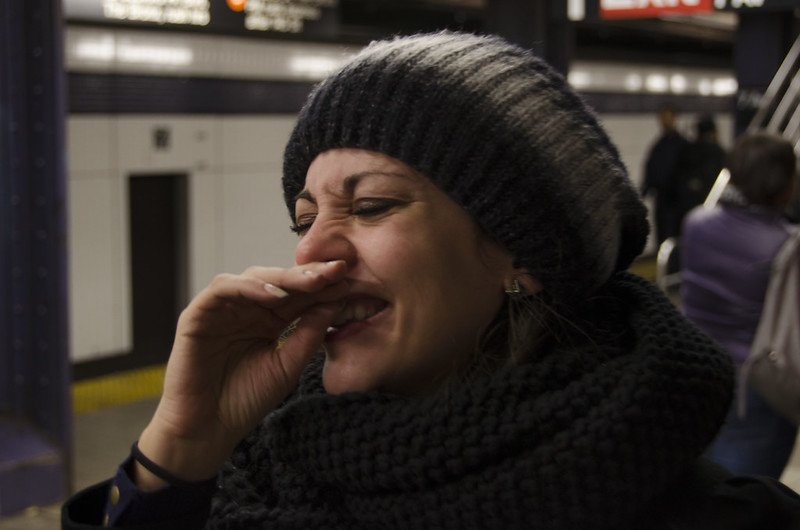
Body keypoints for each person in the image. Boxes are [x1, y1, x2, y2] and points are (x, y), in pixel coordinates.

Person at [62, 32, 800, 529]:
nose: (312, 249)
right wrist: (174, 455)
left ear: (521, 253)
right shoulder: (259, 469)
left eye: (371, 205)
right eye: (303, 217)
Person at [681, 132, 799, 480]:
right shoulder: (787, 246)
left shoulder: (696, 223)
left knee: (702, 478)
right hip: (756, 383)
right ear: (785, 182)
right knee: (745, 494)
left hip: (698, 367)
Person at [672, 114, 727, 238]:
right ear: (713, 132)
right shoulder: (719, 153)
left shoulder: (686, 151)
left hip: (686, 212)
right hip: (710, 212)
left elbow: (675, 181)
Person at [641, 104, 688, 246]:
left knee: (674, 238)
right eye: (662, 118)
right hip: (662, 201)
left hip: (677, 202)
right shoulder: (658, 146)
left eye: (667, 118)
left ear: (674, 119)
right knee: (662, 238)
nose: (664, 121)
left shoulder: (683, 145)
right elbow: (651, 171)